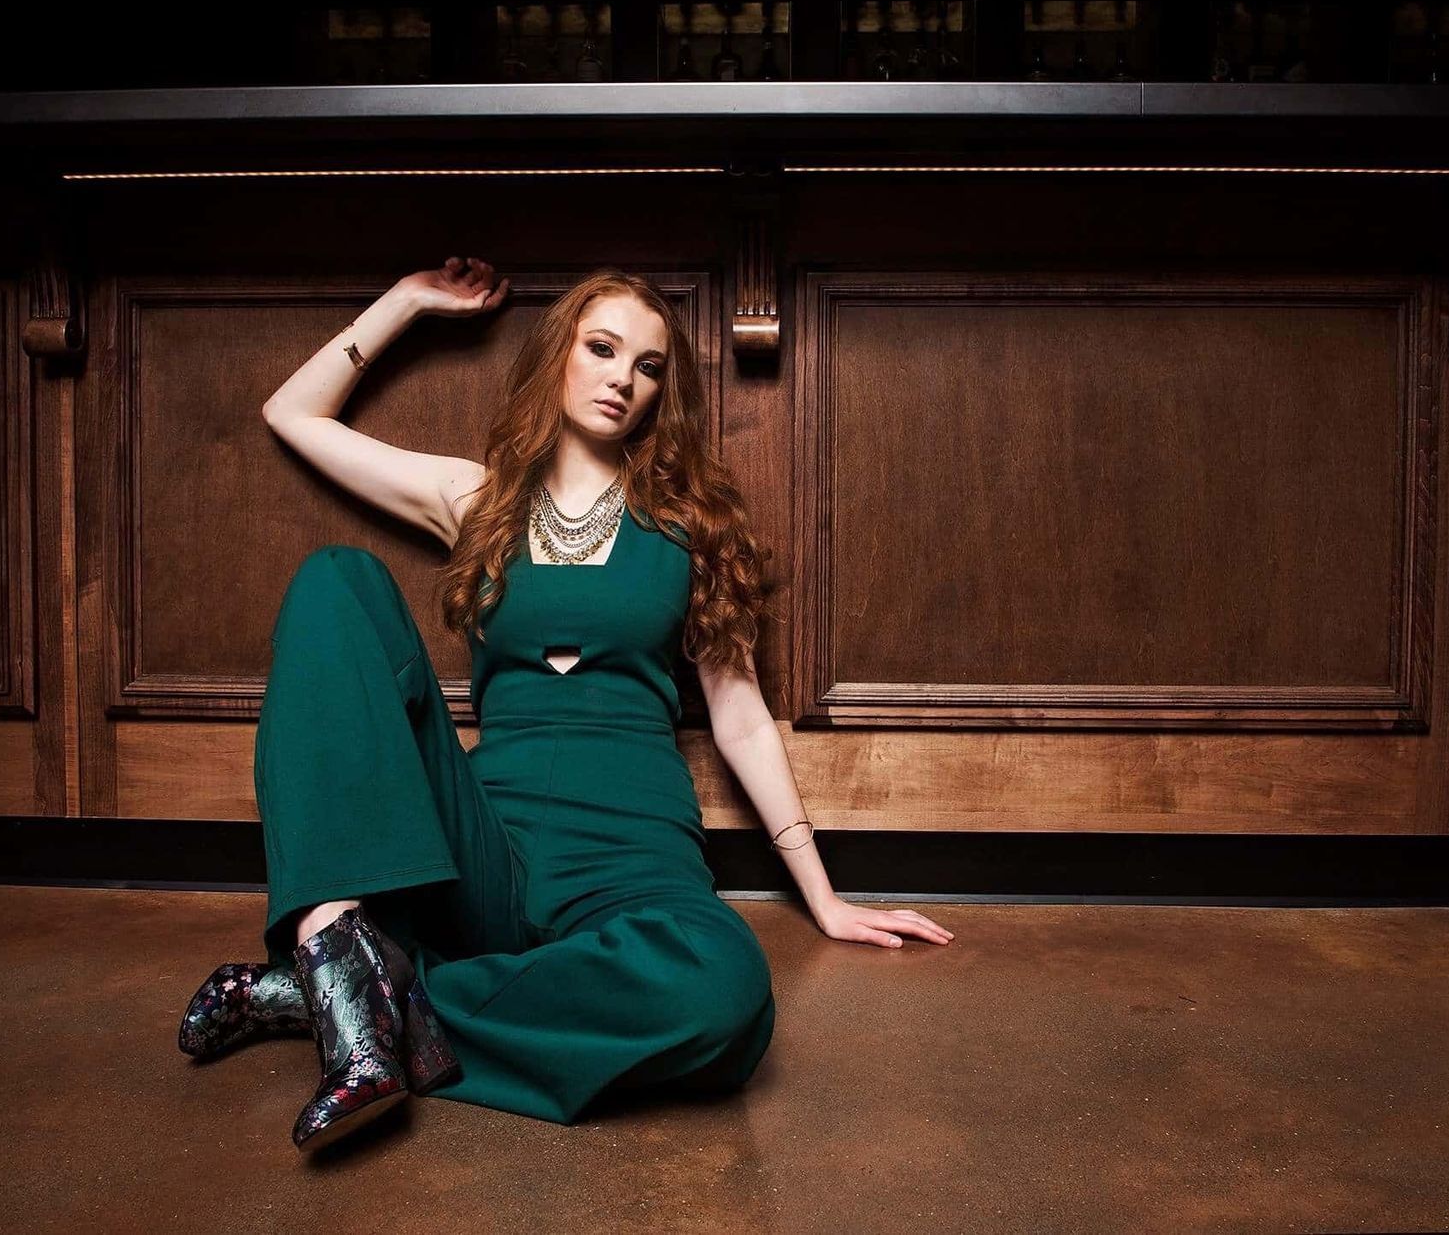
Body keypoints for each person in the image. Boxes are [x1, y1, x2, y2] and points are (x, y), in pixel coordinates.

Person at [177, 256, 955, 1150]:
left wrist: (822, 896)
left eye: (648, 365)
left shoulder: (688, 525)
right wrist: (407, 302)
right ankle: (336, 955)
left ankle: (356, 1001)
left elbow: (739, 714)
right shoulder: (476, 500)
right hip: (484, 859)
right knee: (334, 582)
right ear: (562, 357)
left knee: (723, 990)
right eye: (602, 347)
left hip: (632, 867)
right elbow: (292, 415)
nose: (623, 377)